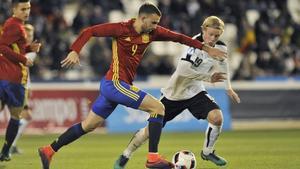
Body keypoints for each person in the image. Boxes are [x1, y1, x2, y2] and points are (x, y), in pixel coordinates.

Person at [38, 3, 226, 169]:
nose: (156, 26)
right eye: (153, 22)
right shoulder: (120, 29)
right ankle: (152, 158)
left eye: (157, 23)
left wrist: (206, 48)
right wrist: (74, 50)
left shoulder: (152, 32)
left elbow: (179, 38)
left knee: (88, 125)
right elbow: (90, 31)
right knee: (158, 108)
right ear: (142, 18)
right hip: (115, 83)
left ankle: (49, 150)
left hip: (116, 86)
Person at [114, 16, 240, 169]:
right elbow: (183, 70)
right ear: (203, 29)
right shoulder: (193, 44)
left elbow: (223, 65)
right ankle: (126, 154)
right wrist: (208, 77)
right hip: (174, 93)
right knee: (148, 132)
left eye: (217, 36)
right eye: (210, 34)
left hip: (195, 91)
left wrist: (228, 87)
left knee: (217, 117)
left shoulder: (220, 48)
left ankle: (207, 152)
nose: (213, 38)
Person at [0, 0, 41, 161]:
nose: (26, 12)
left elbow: (14, 47)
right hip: (12, 78)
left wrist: (30, 49)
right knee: (16, 115)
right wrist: (24, 60)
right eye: (23, 9)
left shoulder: (16, 25)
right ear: (14, 9)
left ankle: (5, 151)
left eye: (28, 8)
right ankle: (5, 151)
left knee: (16, 115)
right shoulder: (14, 25)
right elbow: (2, 47)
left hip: (8, 77)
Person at [9, 23, 37, 155]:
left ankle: (11, 145)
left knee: (24, 116)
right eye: (28, 35)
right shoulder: (24, 51)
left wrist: (29, 86)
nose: (30, 37)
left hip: (20, 85)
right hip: (15, 85)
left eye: (31, 35)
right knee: (24, 116)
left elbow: (25, 71)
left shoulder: (28, 50)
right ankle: (10, 146)